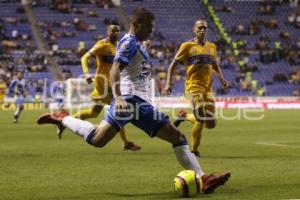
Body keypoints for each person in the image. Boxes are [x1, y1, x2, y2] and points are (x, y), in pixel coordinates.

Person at [37, 8, 230, 194]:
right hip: (132, 101)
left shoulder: (137, 44)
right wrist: (119, 96)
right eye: (149, 27)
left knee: (98, 139)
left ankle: (63, 118)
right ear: (136, 24)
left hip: (137, 103)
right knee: (177, 137)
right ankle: (203, 178)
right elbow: (115, 69)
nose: (151, 30)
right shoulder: (128, 42)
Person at [69, 23, 141, 151]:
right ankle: (125, 143)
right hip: (103, 83)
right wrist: (86, 73)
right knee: (119, 110)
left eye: (117, 31)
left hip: (112, 83)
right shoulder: (102, 44)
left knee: (93, 112)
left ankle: (66, 121)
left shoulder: (119, 46)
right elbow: (84, 57)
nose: (115, 33)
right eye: (113, 30)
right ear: (107, 31)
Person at [165, 19, 229, 158]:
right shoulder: (187, 46)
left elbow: (215, 65)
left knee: (211, 124)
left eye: (205, 28)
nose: (202, 30)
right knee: (201, 117)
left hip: (208, 89)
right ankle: (193, 150)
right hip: (193, 87)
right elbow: (173, 65)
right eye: (199, 28)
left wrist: (222, 79)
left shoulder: (212, 47)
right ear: (194, 30)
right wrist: (168, 83)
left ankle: (185, 116)